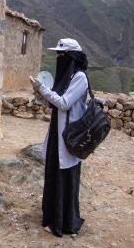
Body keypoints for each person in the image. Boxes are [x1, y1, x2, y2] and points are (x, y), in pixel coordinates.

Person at [30, 38, 89, 237]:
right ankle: (51, 217)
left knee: (65, 177)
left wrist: (43, 90)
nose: (59, 58)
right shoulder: (66, 77)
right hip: (57, 134)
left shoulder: (80, 77)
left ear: (71, 57)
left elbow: (64, 103)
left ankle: (64, 222)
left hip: (69, 138)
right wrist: (40, 95)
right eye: (58, 55)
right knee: (54, 174)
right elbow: (53, 104)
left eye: (62, 55)